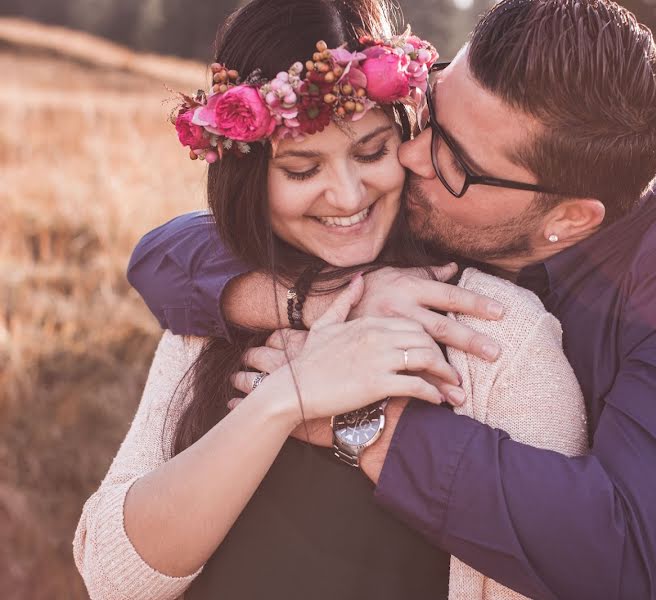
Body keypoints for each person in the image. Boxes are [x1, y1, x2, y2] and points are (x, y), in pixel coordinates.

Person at [124, 1, 656, 599]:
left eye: (449, 159)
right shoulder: (457, 189)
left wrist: (352, 417)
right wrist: (320, 299)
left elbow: (620, 554)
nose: (410, 156)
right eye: (431, 110)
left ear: (568, 219)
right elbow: (167, 256)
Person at [71, 1, 588, 599]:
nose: (346, 195)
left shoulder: (499, 333)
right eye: (301, 167)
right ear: (248, 174)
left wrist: (346, 419)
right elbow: (112, 578)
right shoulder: (222, 308)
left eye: (371, 153)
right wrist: (282, 402)